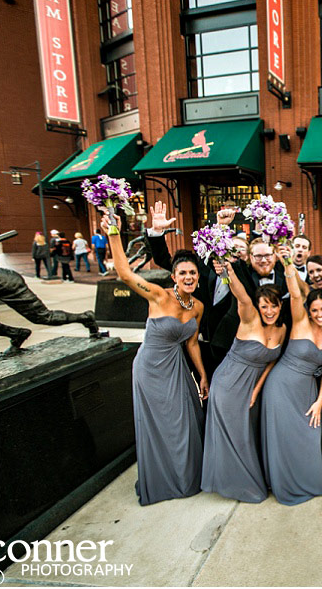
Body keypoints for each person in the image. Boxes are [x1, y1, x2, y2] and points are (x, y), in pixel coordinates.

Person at [103, 214, 207, 506]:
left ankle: (185, 477)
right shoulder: (159, 296)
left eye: (193, 273)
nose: (189, 277)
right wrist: (114, 233)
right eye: (183, 273)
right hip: (150, 368)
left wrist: (202, 376)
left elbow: (191, 342)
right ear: (174, 276)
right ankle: (162, 480)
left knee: (185, 422)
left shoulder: (197, 306)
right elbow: (125, 274)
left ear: (198, 277)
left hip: (177, 368)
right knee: (162, 424)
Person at [201, 266, 285, 503]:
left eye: (274, 305)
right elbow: (240, 293)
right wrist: (227, 270)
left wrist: (256, 392)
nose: (269, 311)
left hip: (251, 388)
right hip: (228, 384)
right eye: (264, 306)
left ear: (280, 306)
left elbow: (271, 363)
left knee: (248, 435)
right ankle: (242, 485)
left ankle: (250, 478)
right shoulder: (249, 318)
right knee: (236, 436)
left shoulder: (282, 329)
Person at [260, 247, 322, 506]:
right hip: (280, 386)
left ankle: (308, 479)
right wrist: (287, 262)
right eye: (315, 310)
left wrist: (320, 401)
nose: (319, 315)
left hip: (308, 391)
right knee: (285, 437)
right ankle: (285, 482)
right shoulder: (301, 321)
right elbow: (294, 291)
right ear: (309, 310)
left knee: (308, 434)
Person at [145, 201, 247, 380]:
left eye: (239, 251)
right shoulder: (201, 271)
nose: (234, 252)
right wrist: (157, 233)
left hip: (230, 350)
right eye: (230, 248)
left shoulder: (246, 277)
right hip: (199, 348)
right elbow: (164, 260)